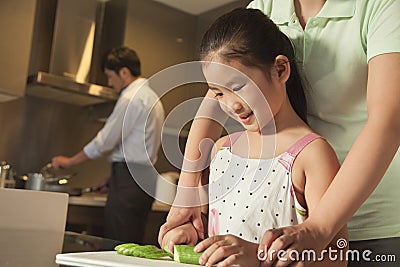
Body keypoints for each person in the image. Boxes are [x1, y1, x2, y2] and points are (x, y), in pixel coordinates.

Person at [159, 0, 400, 266]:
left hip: (374, 220)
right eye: (221, 94)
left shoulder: (381, 6)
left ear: (281, 69)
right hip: (295, 229)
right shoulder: (266, 5)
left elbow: (388, 121)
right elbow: (220, 88)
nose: (231, 103)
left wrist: (319, 229)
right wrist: (187, 195)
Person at [52, 47, 165, 243]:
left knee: (118, 244)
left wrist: (69, 161)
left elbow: (104, 142)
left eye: (110, 76)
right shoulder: (151, 97)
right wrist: (111, 177)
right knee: (132, 245)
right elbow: (137, 149)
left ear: (124, 72)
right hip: (143, 179)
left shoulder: (131, 98)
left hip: (128, 183)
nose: (109, 82)